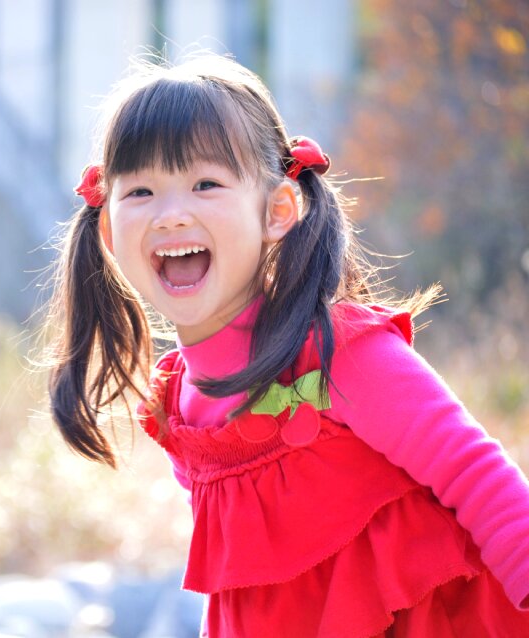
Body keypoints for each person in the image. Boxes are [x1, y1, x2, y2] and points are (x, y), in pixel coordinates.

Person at [42, 53, 529, 637]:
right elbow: (245, 585)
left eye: (205, 183)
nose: (172, 214)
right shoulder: (177, 404)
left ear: (277, 211)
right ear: (108, 230)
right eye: (141, 191)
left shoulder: (340, 353)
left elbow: (482, 482)